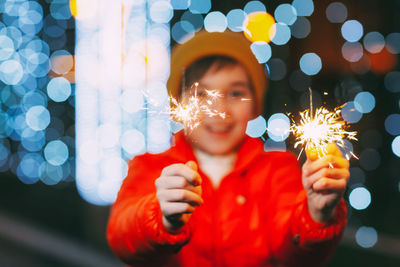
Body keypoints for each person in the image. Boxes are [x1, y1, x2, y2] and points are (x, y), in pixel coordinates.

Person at [106, 30, 349, 267]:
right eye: (201, 94)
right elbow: (122, 239)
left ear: (255, 103)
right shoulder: (151, 168)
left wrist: (316, 214)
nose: (220, 109)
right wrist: (160, 217)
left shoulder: (277, 169)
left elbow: (297, 254)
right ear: (178, 103)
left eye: (235, 93)